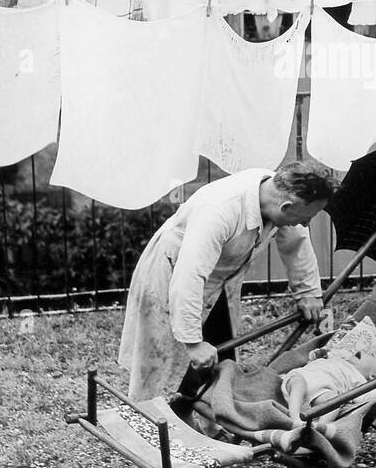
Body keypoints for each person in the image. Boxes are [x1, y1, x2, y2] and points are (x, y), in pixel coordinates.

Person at [118, 162, 336, 401]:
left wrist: (308, 292)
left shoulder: (276, 195)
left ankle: (205, 415)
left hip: (221, 279)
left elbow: (296, 242)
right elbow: (189, 276)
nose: (306, 223)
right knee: (159, 362)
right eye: (307, 217)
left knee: (221, 357)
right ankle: (146, 418)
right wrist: (192, 342)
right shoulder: (218, 211)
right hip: (173, 272)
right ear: (286, 207)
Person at [267, 344, 376, 451]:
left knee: (334, 402)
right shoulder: (339, 359)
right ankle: (294, 418)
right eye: (367, 349)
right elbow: (313, 358)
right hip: (303, 377)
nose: (364, 351)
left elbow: (363, 396)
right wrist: (318, 354)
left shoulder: (360, 381)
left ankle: (318, 429)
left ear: (374, 376)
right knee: (297, 384)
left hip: (324, 391)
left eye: (372, 355)